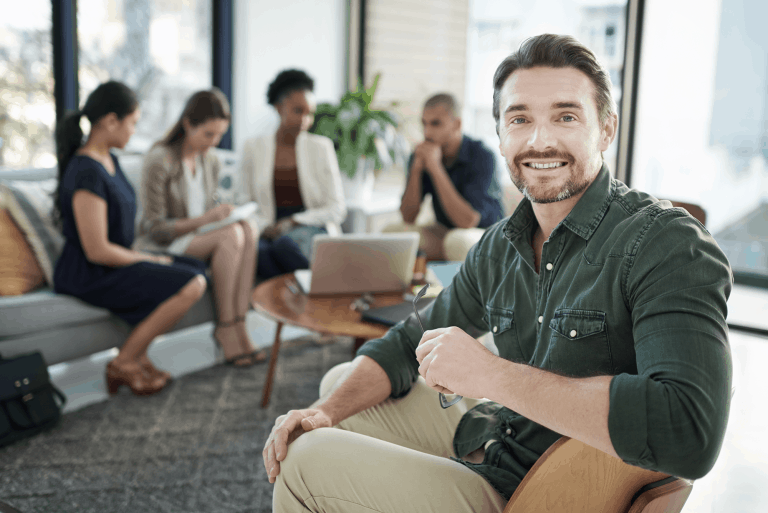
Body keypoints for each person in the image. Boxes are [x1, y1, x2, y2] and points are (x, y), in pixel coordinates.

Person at [261, 34, 734, 512]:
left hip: (534, 492)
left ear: (606, 129)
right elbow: (409, 341)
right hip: (497, 438)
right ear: (502, 135)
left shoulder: (664, 243)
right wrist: (322, 412)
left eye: (566, 116)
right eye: (520, 119)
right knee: (339, 390)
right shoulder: (501, 245)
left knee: (305, 459)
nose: (539, 140)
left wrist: (493, 375)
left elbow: (688, 433)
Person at [53, 81, 208, 396]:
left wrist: (149, 257)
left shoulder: (110, 159)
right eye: (133, 123)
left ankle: (138, 355)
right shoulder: (86, 171)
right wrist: (149, 259)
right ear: (111, 121)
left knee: (195, 267)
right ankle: (124, 362)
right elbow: (97, 250)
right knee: (192, 283)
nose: (134, 131)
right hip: (89, 273)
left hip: (114, 261)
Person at [136, 88, 266, 366]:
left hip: (201, 236)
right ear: (187, 124)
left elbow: (209, 205)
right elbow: (155, 228)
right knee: (232, 234)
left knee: (248, 227)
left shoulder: (211, 160)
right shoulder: (159, 159)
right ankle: (226, 326)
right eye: (208, 134)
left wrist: (222, 212)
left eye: (219, 135)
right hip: (166, 242)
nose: (214, 142)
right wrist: (207, 220)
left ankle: (240, 324)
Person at [240, 69, 346, 280]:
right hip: (267, 230)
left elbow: (337, 208)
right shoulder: (253, 148)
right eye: (298, 111)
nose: (305, 120)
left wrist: (293, 221)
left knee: (284, 246)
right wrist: (264, 226)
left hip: (310, 228)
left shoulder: (321, 147)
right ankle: (289, 305)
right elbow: (243, 202)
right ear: (279, 108)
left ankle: (317, 289)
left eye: (310, 113)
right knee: (259, 253)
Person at [384, 93, 505, 261]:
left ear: (457, 124)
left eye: (435, 124)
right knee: (392, 234)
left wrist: (435, 168)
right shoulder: (423, 154)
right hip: (445, 232)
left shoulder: (482, 155)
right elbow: (408, 217)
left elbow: (467, 221)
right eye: (424, 123)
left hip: (486, 235)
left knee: (456, 242)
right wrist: (417, 169)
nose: (427, 132)